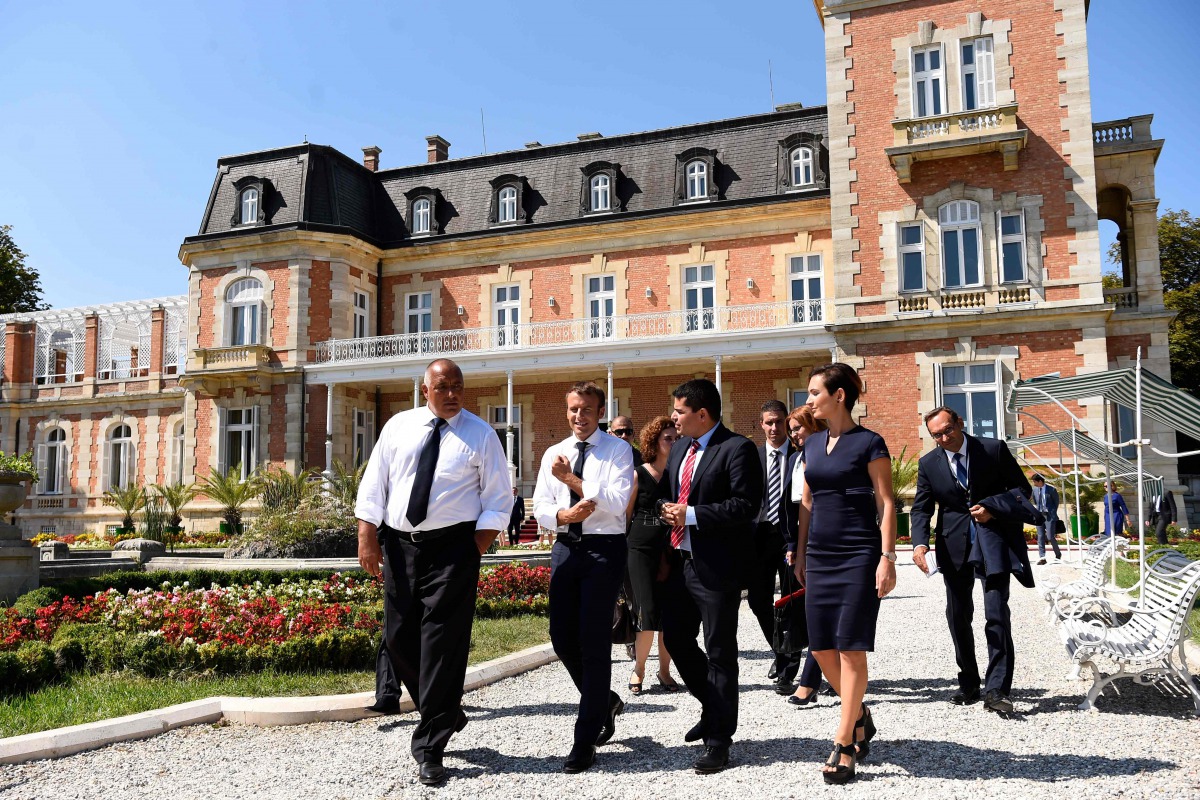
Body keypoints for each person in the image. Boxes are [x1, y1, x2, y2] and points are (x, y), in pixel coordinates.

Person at [355, 358, 512, 787]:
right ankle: (443, 710)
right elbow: (375, 484)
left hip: (453, 549)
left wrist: (473, 549)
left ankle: (430, 747)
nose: (452, 394)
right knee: (398, 635)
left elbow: (499, 498)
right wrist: (367, 534)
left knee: (443, 642)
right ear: (425, 389)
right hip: (400, 545)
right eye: (443, 387)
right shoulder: (399, 427)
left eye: (458, 386)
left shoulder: (480, 435)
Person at [793, 363, 896, 785]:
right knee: (819, 648)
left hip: (858, 554)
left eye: (815, 392)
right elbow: (807, 503)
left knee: (851, 648)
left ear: (839, 396)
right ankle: (860, 714)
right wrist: (799, 553)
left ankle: (845, 741)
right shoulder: (812, 445)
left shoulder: (870, 442)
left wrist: (887, 557)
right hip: (818, 555)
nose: (809, 399)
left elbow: (887, 502)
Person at [658, 378, 762, 775]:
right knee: (678, 641)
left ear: (702, 414)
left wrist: (693, 515)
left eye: (680, 411)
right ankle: (712, 706)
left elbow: (745, 506)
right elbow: (672, 495)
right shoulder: (681, 446)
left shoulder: (737, 449)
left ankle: (719, 739)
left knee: (720, 652)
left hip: (717, 568)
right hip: (681, 563)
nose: (674, 418)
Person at [533, 381, 635, 774]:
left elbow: (614, 500)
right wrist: (561, 516)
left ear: (600, 411)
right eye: (574, 409)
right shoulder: (553, 453)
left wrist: (573, 482)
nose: (580, 416)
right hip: (565, 548)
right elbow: (541, 504)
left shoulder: (617, 450)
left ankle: (585, 738)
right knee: (562, 638)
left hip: (603, 550)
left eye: (587, 409)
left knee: (594, 643)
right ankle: (604, 701)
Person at [911, 406, 1033, 718]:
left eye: (947, 430)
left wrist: (993, 507)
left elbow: (1022, 489)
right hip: (953, 547)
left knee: (996, 614)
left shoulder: (992, 449)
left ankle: (997, 690)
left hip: (993, 541)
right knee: (958, 615)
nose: (943, 437)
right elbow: (922, 508)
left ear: (960, 424)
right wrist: (920, 543)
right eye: (936, 434)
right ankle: (969, 683)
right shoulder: (928, 463)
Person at [624, 415, 680, 695]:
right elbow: (627, 514)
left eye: (676, 437)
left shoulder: (680, 474)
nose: (673, 442)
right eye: (668, 438)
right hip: (640, 548)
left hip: (671, 548)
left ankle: (665, 671)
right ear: (654, 442)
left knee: (668, 613)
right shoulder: (638, 473)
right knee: (646, 610)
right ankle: (639, 669)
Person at [749, 399, 799, 694]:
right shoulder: (752, 456)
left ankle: (788, 665)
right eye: (768, 422)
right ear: (761, 424)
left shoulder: (799, 453)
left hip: (791, 536)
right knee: (758, 601)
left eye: (778, 421)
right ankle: (781, 651)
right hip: (758, 537)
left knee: (791, 601)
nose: (773, 428)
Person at [781, 405, 826, 708]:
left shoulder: (827, 453)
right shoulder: (796, 459)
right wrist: (792, 545)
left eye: (797, 428)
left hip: (827, 536)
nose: (793, 435)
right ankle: (825, 677)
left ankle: (809, 681)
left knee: (822, 611)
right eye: (791, 430)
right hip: (803, 538)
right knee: (813, 610)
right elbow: (792, 506)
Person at [1031, 474, 1061, 565]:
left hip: (1049, 516)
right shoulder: (1034, 490)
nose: (1034, 483)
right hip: (1039, 515)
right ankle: (1042, 557)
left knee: (1050, 536)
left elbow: (1056, 502)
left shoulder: (1051, 490)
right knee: (1040, 536)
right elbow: (1035, 502)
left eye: (1035, 481)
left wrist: (1052, 513)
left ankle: (1058, 554)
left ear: (1040, 481)